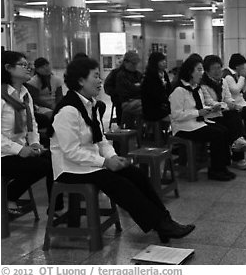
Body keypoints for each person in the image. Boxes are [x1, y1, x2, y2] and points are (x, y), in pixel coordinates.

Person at [49, 57, 194, 242]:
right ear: (80, 81)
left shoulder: (90, 105)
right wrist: (104, 162)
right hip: (70, 169)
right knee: (118, 183)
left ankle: (165, 220)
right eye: (95, 76)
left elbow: (100, 140)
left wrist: (114, 157)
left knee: (135, 174)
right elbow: (70, 151)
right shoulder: (68, 110)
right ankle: (159, 224)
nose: (100, 81)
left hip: (88, 164)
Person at [1, 51, 61, 216]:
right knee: (43, 166)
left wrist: (34, 143)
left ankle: (55, 208)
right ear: (8, 68)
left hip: (19, 148)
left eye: (29, 65)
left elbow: (32, 123)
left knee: (56, 158)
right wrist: (19, 150)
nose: (29, 68)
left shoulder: (25, 93)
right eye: (23, 65)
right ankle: (9, 195)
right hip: (1, 154)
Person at [169, 54, 235, 181]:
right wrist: (198, 113)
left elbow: (200, 105)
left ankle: (222, 167)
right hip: (184, 128)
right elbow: (176, 115)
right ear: (190, 72)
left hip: (197, 123)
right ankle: (215, 170)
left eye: (202, 69)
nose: (202, 73)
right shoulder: (179, 90)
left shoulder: (196, 88)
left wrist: (210, 108)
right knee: (217, 134)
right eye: (199, 70)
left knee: (224, 130)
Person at [201, 54, 246, 170]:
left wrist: (232, 104)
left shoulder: (223, 81)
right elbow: (210, 102)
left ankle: (238, 153)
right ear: (207, 70)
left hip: (222, 112)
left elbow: (228, 97)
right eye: (214, 68)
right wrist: (227, 106)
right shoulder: (203, 84)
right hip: (211, 115)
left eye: (219, 67)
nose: (217, 71)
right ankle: (237, 154)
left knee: (235, 115)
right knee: (230, 123)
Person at [115, 51, 143, 128]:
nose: (135, 66)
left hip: (138, 100)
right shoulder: (121, 75)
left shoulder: (138, 74)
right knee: (147, 107)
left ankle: (148, 132)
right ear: (125, 63)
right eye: (133, 64)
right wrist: (138, 88)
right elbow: (128, 91)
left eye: (136, 64)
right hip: (127, 102)